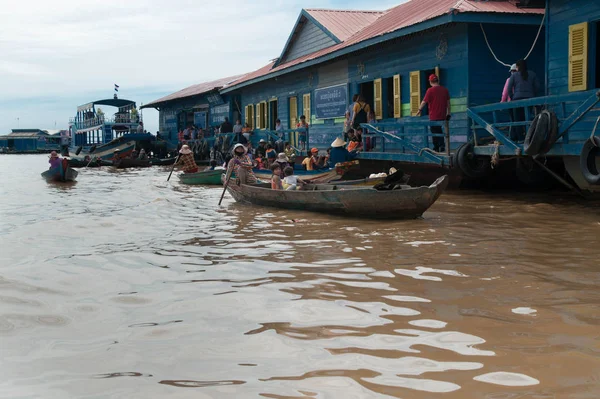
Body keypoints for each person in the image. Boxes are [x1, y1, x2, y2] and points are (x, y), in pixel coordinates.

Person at [507, 59, 540, 141]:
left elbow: (509, 88)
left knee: (517, 120)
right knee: (528, 119)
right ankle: (529, 138)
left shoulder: (514, 75)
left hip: (517, 100)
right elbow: (537, 87)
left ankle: (521, 139)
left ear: (517, 67)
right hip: (529, 100)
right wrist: (533, 95)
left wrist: (512, 97)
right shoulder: (532, 74)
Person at [416, 74, 450, 153]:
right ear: (438, 81)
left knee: (434, 132)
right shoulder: (445, 90)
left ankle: (436, 147)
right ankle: (442, 146)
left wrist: (419, 109)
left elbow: (424, 102)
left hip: (433, 115)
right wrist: (448, 113)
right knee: (440, 131)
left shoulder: (430, 90)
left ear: (430, 82)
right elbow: (448, 103)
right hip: (442, 114)